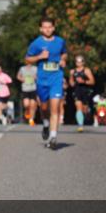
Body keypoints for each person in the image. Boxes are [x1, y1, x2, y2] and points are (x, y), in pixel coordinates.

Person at [25, 16, 68, 149]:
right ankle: (45, 124)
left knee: (55, 108)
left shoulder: (60, 41)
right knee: (44, 108)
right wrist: (39, 57)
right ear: (40, 29)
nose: (47, 29)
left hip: (57, 77)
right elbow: (27, 59)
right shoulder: (36, 43)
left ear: (54, 28)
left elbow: (64, 53)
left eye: (50, 27)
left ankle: (53, 137)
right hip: (43, 79)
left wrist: (63, 60)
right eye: (45, 27)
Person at [70, 55, 96, 132]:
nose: (78, 63)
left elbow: (92, 82)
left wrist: (84, 81)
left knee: (84, 109)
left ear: (83, 62)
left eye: (80, 61)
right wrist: (72, 83)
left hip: (85, 91)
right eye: (77, 61)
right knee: (78, 107)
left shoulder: (87, 70)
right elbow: (71, 81)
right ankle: (80, 125)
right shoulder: (72, 71)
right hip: (77, 90)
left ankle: (87, 113)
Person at [17, 61, 38, 125]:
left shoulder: (35, 68)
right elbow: (18, 76)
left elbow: (39, 76)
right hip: (25, 88)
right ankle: (27, 112)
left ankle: (31, 119)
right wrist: (22, 79)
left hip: (33, 88)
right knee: (26, 105)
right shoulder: (22, 68)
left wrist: (36, 78)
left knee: (32, 105)